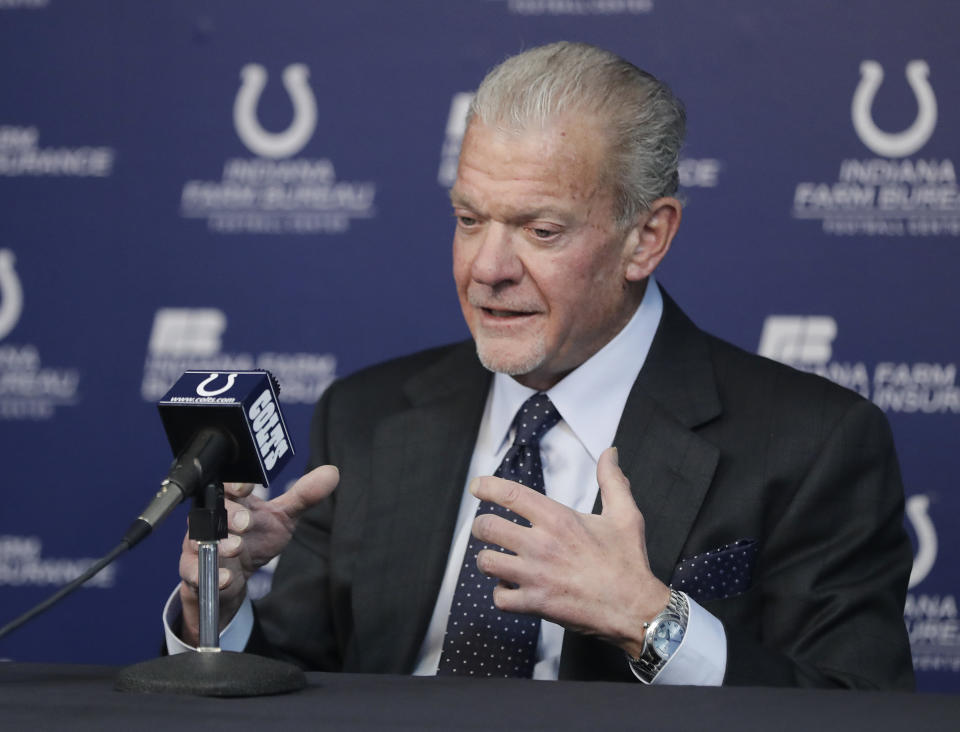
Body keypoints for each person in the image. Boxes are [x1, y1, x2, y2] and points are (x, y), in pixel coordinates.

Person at [165, 42, 914, 688]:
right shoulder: (366, 416)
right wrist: (221, 616)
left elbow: (857, 704)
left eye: (541, 229)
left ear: (646, 238)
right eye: (468, 220)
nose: (487, 268)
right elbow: (302, 680)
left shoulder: (814, 443)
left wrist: (652, 619)